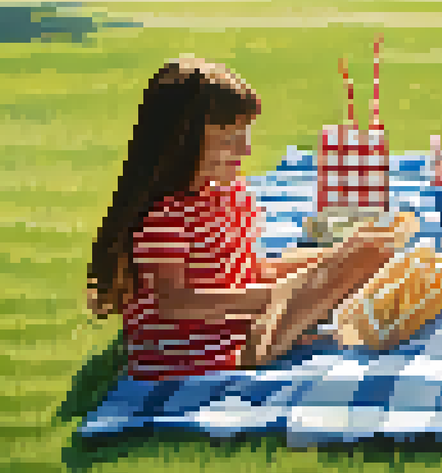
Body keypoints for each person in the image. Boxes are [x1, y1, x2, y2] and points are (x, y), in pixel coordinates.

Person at [89, 57, 408, 380]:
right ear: (179, 144)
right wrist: (280, 294)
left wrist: (337, 255)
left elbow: (253, 270)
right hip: (203, 354)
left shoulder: (227, 194)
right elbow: (175, 303)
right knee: (354, 266)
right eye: (228, 141)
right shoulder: (165, 217)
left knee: (363, 256)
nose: (245, 149)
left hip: (241, 328)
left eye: (245, 134)